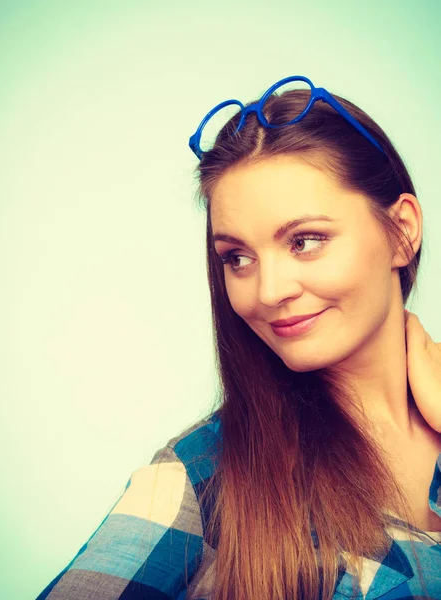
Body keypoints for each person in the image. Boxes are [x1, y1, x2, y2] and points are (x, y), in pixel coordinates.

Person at [35, 75, 441, 600]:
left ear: (403, 230)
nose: (267, 291)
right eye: (238, 258)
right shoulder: (204, 476)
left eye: (306, 241)